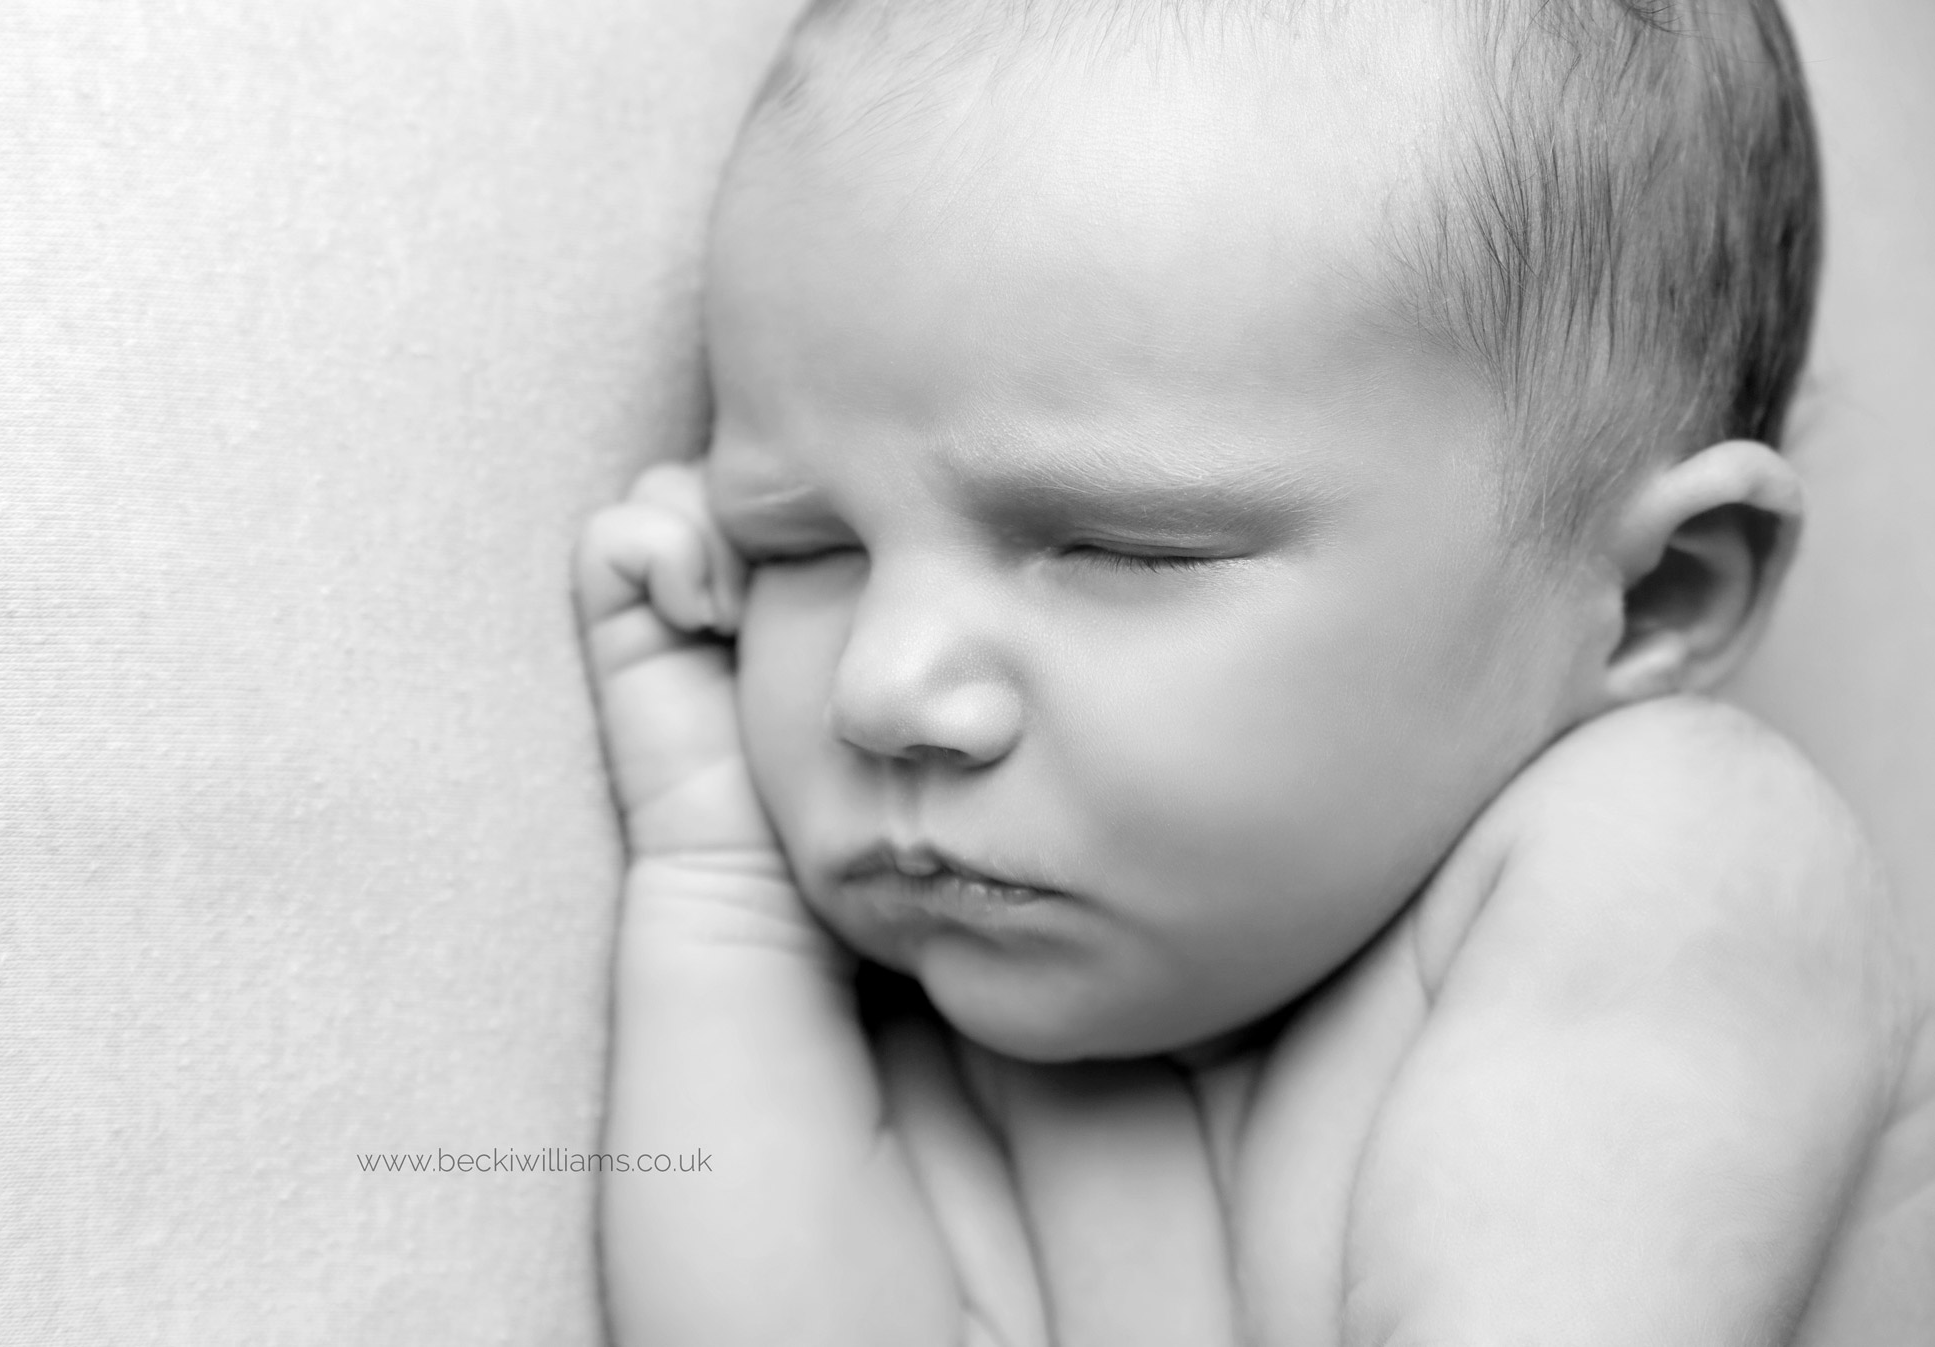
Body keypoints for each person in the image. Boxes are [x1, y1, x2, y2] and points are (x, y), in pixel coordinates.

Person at [579, 0, 1935, 1342]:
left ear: (1652, 596)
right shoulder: (984, 1034)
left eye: (1118, 547)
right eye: (799, 543)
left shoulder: (1676, 862)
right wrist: (722, 885)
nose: (877, 691)